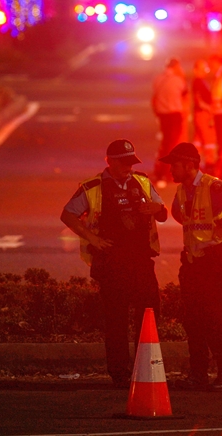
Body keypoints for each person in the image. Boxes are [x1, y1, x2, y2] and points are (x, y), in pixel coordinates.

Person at [60, 139, 168, 388]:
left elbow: (162, 213)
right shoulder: (93, 187)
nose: (129, 167)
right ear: (110, 161)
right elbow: (67, 214)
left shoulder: (142, 182)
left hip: (141, 260)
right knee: (116, 320)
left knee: (149, 315)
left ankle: (146, 368)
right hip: (111, 263)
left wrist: (156, 209)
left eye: (132, 162)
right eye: (124, 162)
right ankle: (119, 373)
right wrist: (92, 238)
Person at [160, 142, 222, 391]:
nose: (171, 171)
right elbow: (178, 213)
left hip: (215, 258)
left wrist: (221, 221)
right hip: (192, 261)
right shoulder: (181, 190)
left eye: (174, 165)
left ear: (189, 165)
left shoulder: (212, 185)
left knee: (215, 317)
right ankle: (198, 374)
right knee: (193, 318)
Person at [151, 57, 188, 186]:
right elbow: (185, 95)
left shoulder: (158, 79)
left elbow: (155, 96)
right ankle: (165, 172)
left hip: (162, 115)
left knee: (166, 142)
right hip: (174, 115)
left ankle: (160, 169)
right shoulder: (178, 80)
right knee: (172, 144)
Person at [191, 59, 216, 169]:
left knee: (199, 140)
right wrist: (210, 109)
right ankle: (210, 162)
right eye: (203, 69)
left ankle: (193, 160)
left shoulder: (202, 81)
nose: (205, 71)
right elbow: (198, 100)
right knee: (208, 139)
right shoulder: (198, 82)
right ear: (196, 70)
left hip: (201, 113)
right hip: (203, 114)